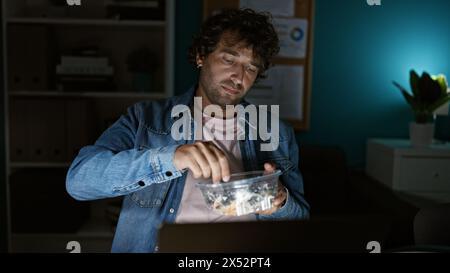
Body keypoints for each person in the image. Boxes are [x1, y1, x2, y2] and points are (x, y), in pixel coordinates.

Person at [66, 8, 310, 253]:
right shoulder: (146, 118)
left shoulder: (277, 132)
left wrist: (280, 203)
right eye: (229, 59)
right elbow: (79, 181)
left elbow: (300, 222)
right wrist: (173, 158)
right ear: (201, 56)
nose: (238, 77)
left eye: (251, 68)